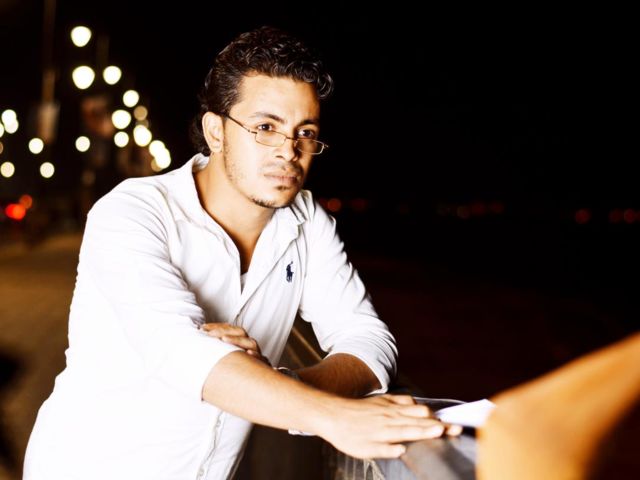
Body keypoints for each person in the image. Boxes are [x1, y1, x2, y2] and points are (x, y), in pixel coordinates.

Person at [23, 26, 459, 480]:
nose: (288, 151)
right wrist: (334, 417)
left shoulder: (308, 222)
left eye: (304, 132)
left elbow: (369, 340)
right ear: (216, 131)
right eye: (265, 128)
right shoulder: (133, 212)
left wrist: (282, 387)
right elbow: (180, 353)